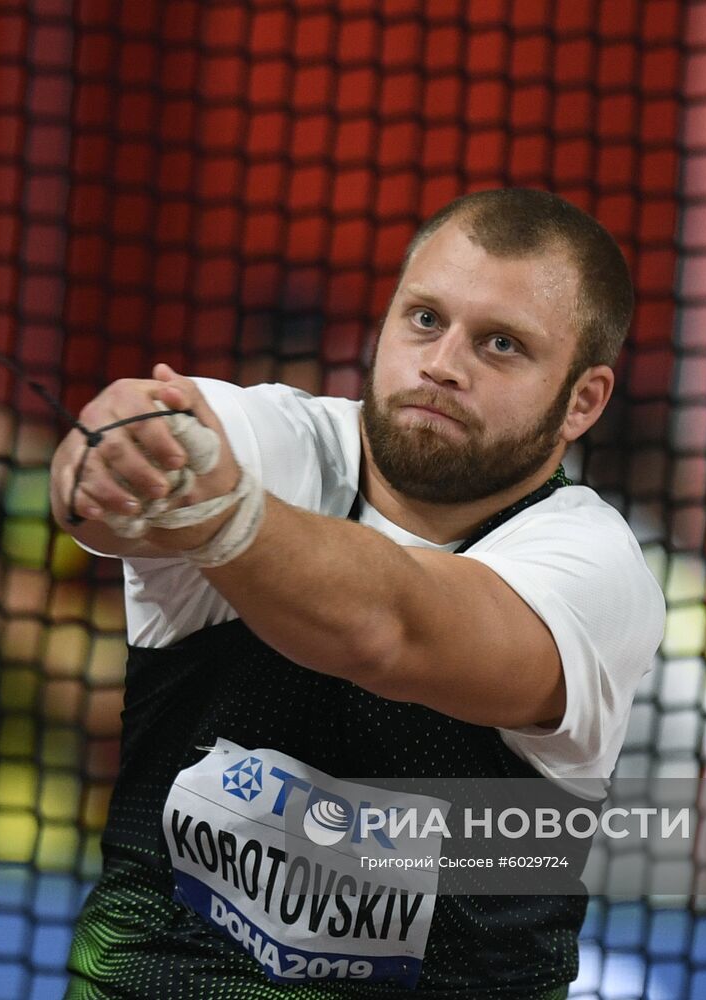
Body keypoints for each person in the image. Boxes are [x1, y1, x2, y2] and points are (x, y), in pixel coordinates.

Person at [49, 188, 665, 998]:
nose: (443, 363)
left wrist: (221, 516)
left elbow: (392, 631)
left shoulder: (594, 567)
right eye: (424, 319)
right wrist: (116, 447)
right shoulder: (284, 440)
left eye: (502, 344)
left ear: (581, 401)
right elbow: (110, 488)